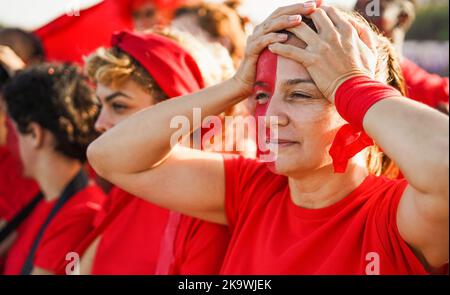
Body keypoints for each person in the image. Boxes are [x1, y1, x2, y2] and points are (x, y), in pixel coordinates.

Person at [87, 2, 449, 274]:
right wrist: (235, 85)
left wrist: (349, 82)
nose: (270, 118)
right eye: (261, 96)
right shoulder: (252, 190)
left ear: (357, 106)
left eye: (301, 94)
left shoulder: (394, 217)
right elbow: (110, 156)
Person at [77, 29, 231, 275]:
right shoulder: (125, 189)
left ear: (171, 111)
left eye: (118, 105)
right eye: (101, 104)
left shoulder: (207, 208)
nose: (99, 123)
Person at [1, 63, 106, 275]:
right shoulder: (44, 201)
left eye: (9, 127)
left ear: (34, 134)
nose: (6, 139)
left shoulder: (80, 214)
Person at [354, 0, 449, 113]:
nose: (360, 18)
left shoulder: (436, 92)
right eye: (356, 10)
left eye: (374, 9)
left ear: (402, 17)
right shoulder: (344, 79)